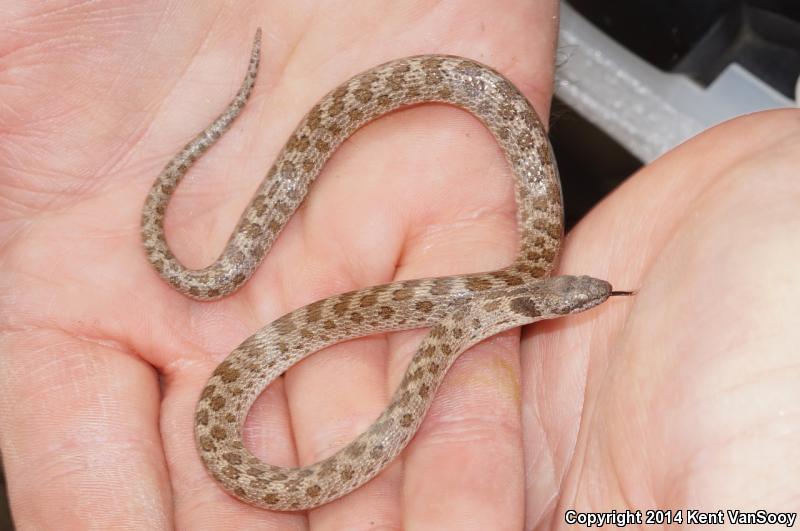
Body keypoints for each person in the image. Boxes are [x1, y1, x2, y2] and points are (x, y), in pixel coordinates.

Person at [1, 2, 797, 529]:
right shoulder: (495, 302)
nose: (582, 296)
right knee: (223, 280)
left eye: (572, 298)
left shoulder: (494, 302)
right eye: (574, 299)